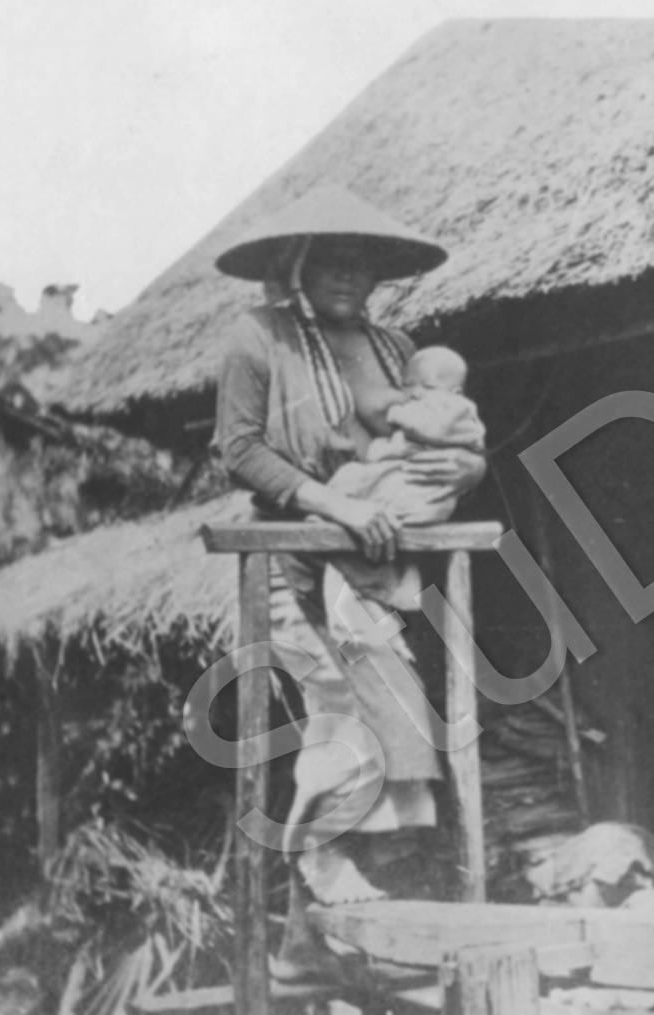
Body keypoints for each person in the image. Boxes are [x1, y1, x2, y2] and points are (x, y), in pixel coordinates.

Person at [212, 185, 486, 978]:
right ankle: (319, 872)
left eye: (361, 262)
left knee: (397, 734)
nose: (346, 273)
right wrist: (335, 502)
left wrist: (448, 473)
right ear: (297, 262)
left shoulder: (397, 348)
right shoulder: (260, 336)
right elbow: (239, 450)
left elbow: (436, 432)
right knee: (337, 722)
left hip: (372, 571)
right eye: (330, 258)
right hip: (295, 562)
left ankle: (312, 946)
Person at [323, 345, 486, 609]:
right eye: (408, 385)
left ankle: (393, 586)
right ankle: (394, 584)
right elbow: (396, 446)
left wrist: (398, 416)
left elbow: (435, 429)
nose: (416, 393)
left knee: (375, 524)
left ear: (456, 393)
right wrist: (385, 449)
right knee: (351, 482)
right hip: (397, 486)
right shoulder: (425, 408)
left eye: (428, 387)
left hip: (420, 494)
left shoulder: (456, 410)